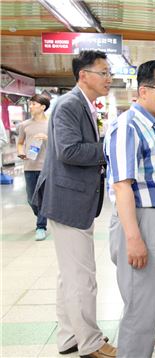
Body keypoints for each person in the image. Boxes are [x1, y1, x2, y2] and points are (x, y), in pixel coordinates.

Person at [32, 50, 116, 357]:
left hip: (72, 199)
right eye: (103, 72)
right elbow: (69, 151)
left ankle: (69, 337)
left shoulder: (83, 104)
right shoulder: (69, 104)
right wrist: (108, 147)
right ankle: (91, 344)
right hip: (67, 200)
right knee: (83, 276)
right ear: (84, 75)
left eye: (110, 73)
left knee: (69, 274)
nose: (109, 78)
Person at [104, 59, 155, 357]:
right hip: (141, 222)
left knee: (149, 305)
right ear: (144, 90)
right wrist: (134, 238)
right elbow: (122, 186)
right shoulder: (128, 127)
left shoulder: (152, 126)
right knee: (140, 311)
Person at [17, 94, 50, 240]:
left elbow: (58, 145)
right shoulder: (24, 125)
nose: (30, 107)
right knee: (31, 199)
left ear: (43, 107)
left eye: (33, 104)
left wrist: (47, 138)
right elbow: (20, 143)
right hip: (29, 166)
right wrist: (21, 152)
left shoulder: (51, 124)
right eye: (30, 104)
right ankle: (43, 214)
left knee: (42, 198)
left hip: (46, 167)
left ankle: (41, 226)